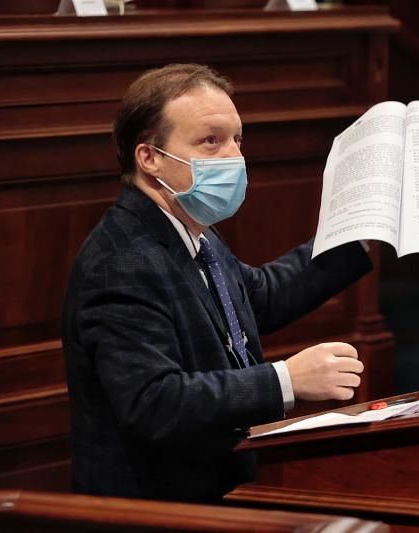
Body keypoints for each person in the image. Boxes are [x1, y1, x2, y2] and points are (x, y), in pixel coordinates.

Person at [61, 64, 372, 503]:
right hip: (154, 512)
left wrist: (355, 232)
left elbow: (255, 296)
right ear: (149, 158)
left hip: (218, 494)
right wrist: (285, 379)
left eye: (236, 139)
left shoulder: (187, 230)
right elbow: (154, 402)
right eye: (211, 141)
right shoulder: (122, 261)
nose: (233, 157)